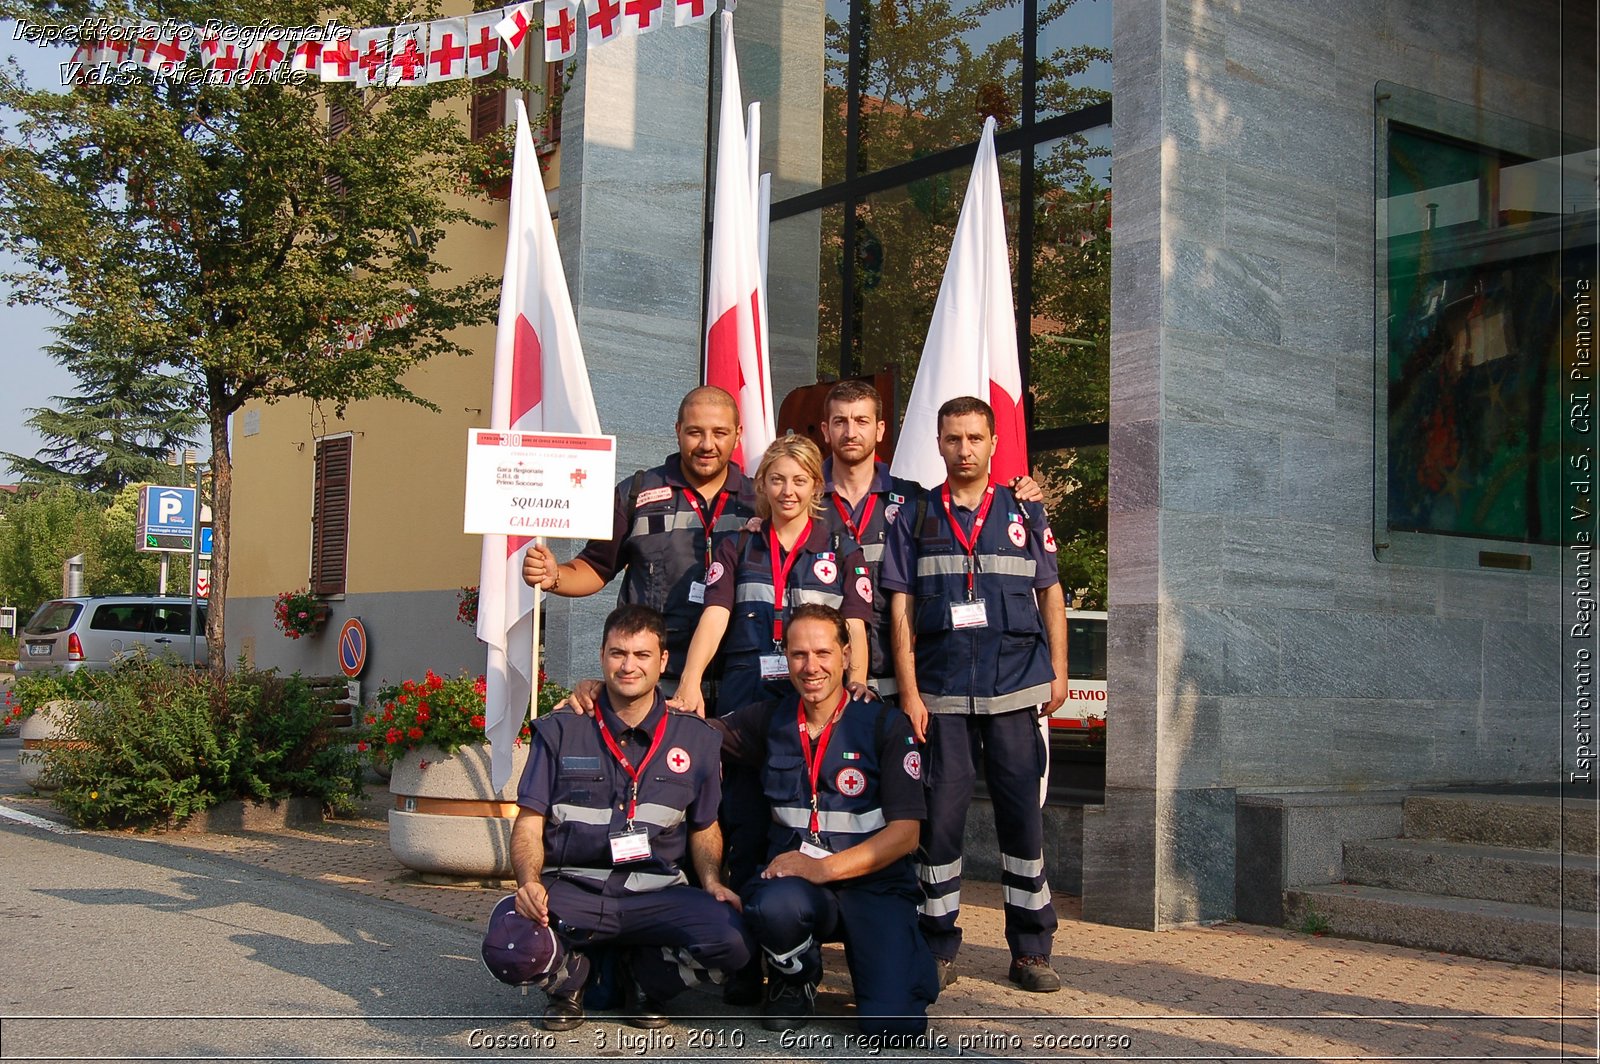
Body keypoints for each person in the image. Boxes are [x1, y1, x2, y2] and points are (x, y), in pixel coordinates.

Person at [880, 396, 1069, 994]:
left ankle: (1032, 949)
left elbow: (1050, 593)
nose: (964, 449)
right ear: (938, 443)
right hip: (940, 697)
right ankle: (936, 944)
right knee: (940, 824)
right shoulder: (913, 515)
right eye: (953, 438)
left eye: (974, 438)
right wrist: (909, 691)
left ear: (993, 444)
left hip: (1015, 686)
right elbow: (901, 606)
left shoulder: (1024, 509)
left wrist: (1059, 670)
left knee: (1022, 822)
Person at [489, 605, 751, 1030]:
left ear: (663, 661)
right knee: (507, 941)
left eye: (642, 655)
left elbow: (705, 827)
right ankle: (568, 980)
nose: (629, 666)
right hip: (574, 888)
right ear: (601, 656)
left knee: (735, 941)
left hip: (656, 893)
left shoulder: (697, 738)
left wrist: (713, 883)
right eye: (618, 653)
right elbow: (530, 821)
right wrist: (529, 883)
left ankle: (649, 979)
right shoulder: (560, 728)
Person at [714, 604, 937, 1035]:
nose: (810, 666)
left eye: (822, 653)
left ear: (847, 655)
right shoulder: (770, 718)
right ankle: (795, 978)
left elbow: (907, 834)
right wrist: (601, 694)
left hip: (873, 884)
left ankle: (900, 966)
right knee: (772, 904)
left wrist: (822, 869)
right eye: (798, 655)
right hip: (795, 887)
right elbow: (684, 730)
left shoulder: (885, 725)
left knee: (895, 1029)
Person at [521, 386, 757, 695]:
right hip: (655, 684)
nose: (707, 445)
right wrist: (555, 577)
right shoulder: (636, 494)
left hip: (739, 684)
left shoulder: (760, 502)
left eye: (720, 433)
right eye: (695, 432)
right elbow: (596, 566)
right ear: (677, 430)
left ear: (738, 434)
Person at [818, 379, 1045, 699]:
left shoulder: (915, 502)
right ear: (826, 430)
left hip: (905, 681)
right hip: (823, 680)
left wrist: (1021, 492)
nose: (851, 432)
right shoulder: (803, 502)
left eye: (862, 421)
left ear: (880, 429)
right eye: (840, 421)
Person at [673, 434, 873, 719]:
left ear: (816, 486)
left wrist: (857, 684)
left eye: (799, 481)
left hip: (814, 695)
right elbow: (714, 616)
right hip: (745, 692)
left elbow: (854, 625)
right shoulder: (737, 546)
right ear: (762, 484)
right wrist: (690, 680)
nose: (787, 491)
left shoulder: (843, 552)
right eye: (777, 479)